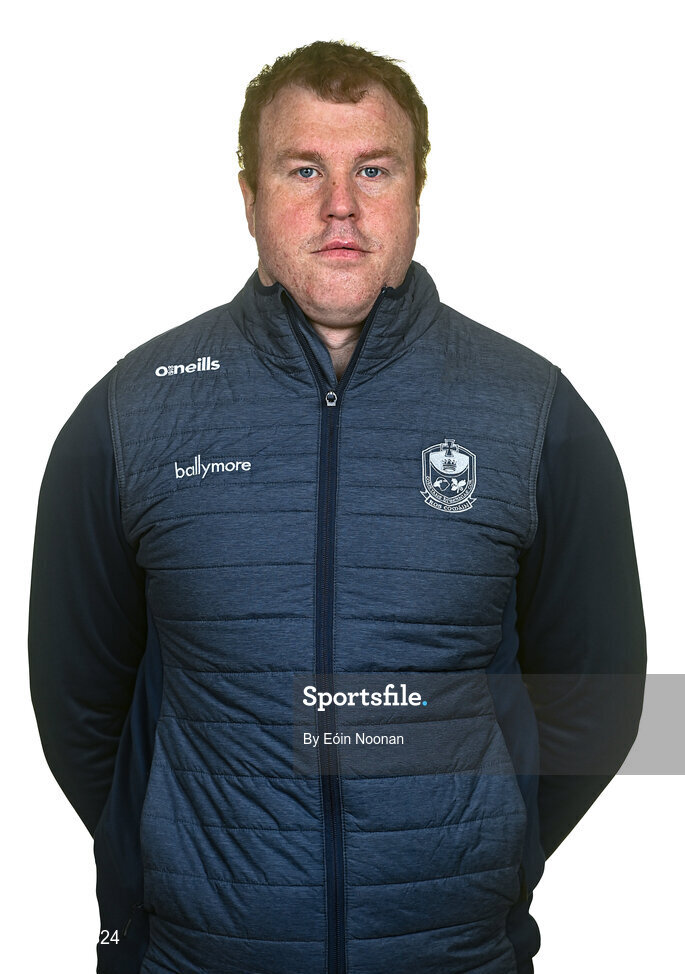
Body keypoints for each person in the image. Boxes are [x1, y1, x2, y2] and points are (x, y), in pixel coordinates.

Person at [28, 39, 646, 974]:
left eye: (373, 169)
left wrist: (491, 843)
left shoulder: (536, 415)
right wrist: (177, 860)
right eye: (303, 169)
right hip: (200, 958)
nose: (340, 207)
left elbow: (598, 696)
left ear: (416, 194)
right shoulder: (132, 413)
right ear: (249, 198)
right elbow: (77, 702)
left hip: (455, 956)